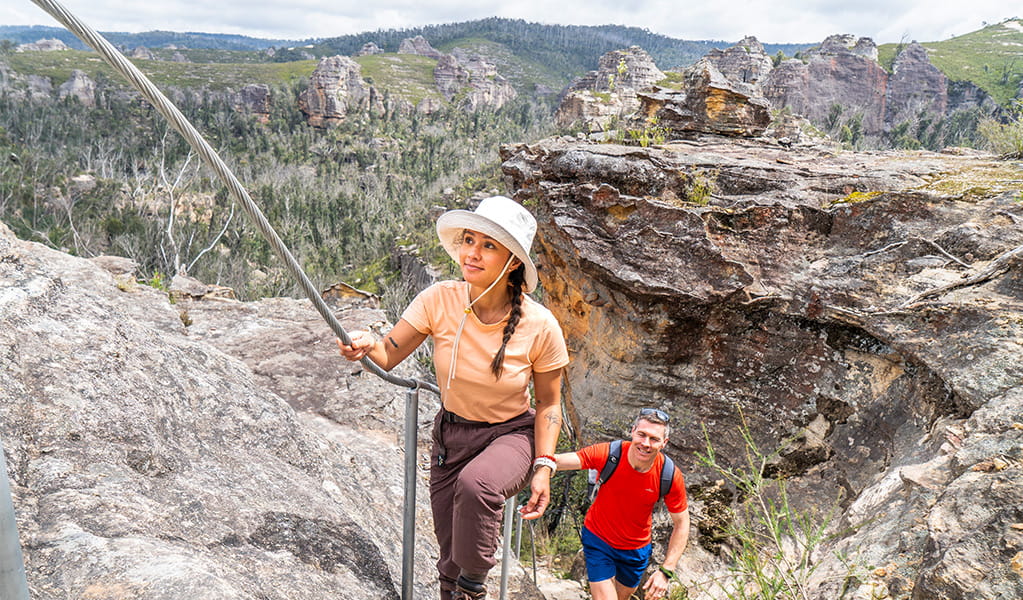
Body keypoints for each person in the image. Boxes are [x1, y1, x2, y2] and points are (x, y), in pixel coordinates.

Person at [337, 195, 569, 600]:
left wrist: (545, 466)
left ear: (513, 261)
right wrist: (365, 341)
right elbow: (389, 353)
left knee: (478, 486)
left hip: (510, 436)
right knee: (449, 557)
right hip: (451, 436)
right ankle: (461, 586)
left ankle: (475, 585)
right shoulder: (439, 299)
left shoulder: (540, 326)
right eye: (468, 240)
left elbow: (550, 403)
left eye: (488, 245)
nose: (472, 253)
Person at [525, 408, 689, 600]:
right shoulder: (610, 454)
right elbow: (562, 461)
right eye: (642, 434)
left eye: (654, 439)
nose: (645, 443)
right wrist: (540, 465)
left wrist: (666, 570)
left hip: (636, 549)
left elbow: (682, 523)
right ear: (633, 431)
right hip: (598, 539)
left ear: (664, 443)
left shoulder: (668, 475)